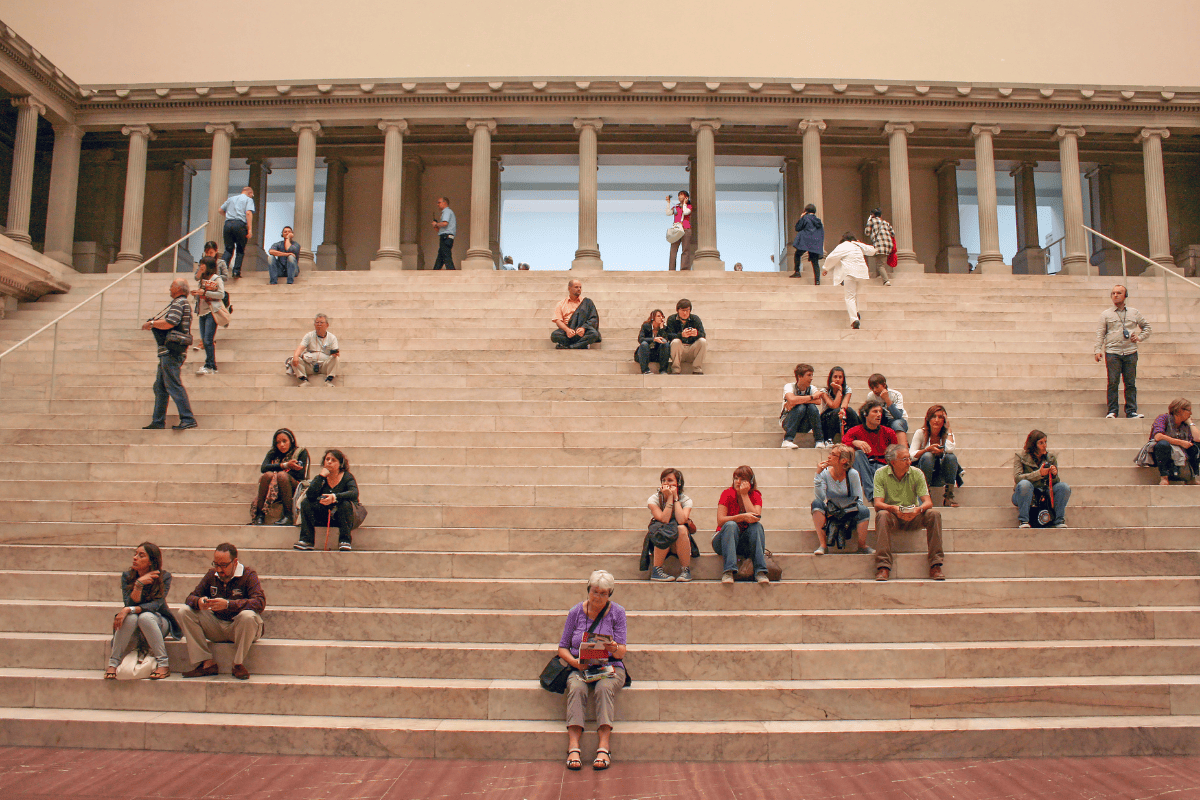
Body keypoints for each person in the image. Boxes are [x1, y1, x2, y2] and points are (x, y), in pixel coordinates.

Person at [558, 569, 627, 771]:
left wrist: (612, 646)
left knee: (604, 688)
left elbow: (621, 652)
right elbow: (562, 647)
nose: (598, 597)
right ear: (588, 590)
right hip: (581, 667)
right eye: (594, 592)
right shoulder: (576, 612)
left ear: (609, 595)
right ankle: (573, 747)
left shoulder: (617, 613)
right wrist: (575, 662)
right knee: (577, 688)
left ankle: (604, 746)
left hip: (610, 667)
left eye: (603, 593)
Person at [178, 543, 266, 680]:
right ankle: (206, 662)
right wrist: (199, 602)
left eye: (224, 565)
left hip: (240, 627)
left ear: (235, 562)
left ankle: (238, 664)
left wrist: (229, 604)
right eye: (216, 564)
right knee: (184, 611)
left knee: (248, 616)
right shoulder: (211, 575)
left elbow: (259, 602)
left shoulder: (248, 575)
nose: (219, 569)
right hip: (217, 625)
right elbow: (190, 598)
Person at [104, 542, 179, 681]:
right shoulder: (127, 576)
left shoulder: (164, 576)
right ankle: (113, 663)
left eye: (141, 555)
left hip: (158, 621)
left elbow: (157, 604)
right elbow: (129, 603)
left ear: (151, 561)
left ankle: (163, 664)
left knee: (145, 617)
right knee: (130, 618)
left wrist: (129, 609)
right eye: (135, 553)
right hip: (134, 625)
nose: (135, 557)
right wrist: (139, 585)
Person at [872, 444, 945, 581]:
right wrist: (894, 509)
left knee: (934, 514)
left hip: (914, 514)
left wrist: (918, 510)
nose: (909, 462)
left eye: (909, 458)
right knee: (881, 515)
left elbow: (928, 502)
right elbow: (878, 504)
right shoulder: (880, 474)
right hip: (893, 515)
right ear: (893, 462)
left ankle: (936, 565)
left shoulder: (916, 473)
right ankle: (883, 566)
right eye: (904, 459)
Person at [141, 278, 197, 430]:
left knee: (173, 385)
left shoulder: (179, 303)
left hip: (172, 351)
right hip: (169, 352)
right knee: (160, 387)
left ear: (178, 289)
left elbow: (171, 322)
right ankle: (158, 421)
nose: (169, 288)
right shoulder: (180, 303)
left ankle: (188, 418)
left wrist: (152, 323)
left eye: (172, 285)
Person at [1095, 284, 1150, 419]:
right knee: (1113, 382)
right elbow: (1100, 333)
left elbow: (1147, 327)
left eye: (1119, 293)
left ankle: (1131, 411)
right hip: (1112, 351)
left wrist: (1139, 337)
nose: (1115, 295)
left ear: (1125, 296)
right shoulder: (1106, 314)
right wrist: (1097, 349)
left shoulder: (1134, 312)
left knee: (1130, 383)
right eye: (1113, 293)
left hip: (1130, 351)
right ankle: (1112, 411)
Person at [811, 444, 874, 556]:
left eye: (833, 454)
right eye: (830, 453)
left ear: (843, 460)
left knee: (864, 510)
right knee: (816, 504)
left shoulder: (852, 474)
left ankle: (862, 545)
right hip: (832, 510)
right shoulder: (825, 473)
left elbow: (858, 500)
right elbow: (820, 498)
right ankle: (823, 545)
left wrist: (846, 511)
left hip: (849, 511)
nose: (829, 457)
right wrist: (818, 475)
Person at [295, 449, 361, 551]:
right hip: (324, 514)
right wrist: (321, 477)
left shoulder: (347, 477)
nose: (329, 462)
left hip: (342, 516)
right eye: (327, 459)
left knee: (345, 504)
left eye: (333, 460)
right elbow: (310, 495)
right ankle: (307, 540)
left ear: (340, 464)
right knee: (306, 503)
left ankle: (345, 540)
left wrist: (335, 497)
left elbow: (354, 493)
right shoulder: (321, 478)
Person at [714, 465, 769, 584]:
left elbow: (756, 517)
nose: (738, 482)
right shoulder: (727, 494)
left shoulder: (755, 495)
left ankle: (760, 571)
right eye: (736, 478)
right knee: (731, 525)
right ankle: (728, 571)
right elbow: (721, 520)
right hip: (723, 540)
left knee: (757, 526)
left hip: (744, 542)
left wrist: (744, 495)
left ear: (751, 482)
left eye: (743, 479)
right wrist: (742, 517)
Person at [642, 468, 695, 582]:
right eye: (663, 480)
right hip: (659, 541)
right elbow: (664, 520)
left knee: (681, 528)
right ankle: (657, 570)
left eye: (670, 480)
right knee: (664, 529)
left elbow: (681, 520)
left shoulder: (686, 500)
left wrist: (675, 498)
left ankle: (686, 570)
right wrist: (669, 498)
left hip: (679, 542)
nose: (666, 483)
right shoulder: (654, 499)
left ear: (678, 484)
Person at [1012, 430, 1072, 528]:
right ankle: (1024, 521)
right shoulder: (1020, 456)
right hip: (1025, 494)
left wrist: (1054, 475)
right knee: (1024, 484)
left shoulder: (1050, 457)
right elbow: (1018, 478)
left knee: (1063, 487)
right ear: (1033, 444)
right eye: (1041, 443)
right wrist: (1038, 474)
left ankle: (1059, 520)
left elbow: (1055, 483)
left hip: (1045, 493)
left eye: (1045, 442)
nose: (1044, 445)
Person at [250, 428, 310, 525]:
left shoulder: (301, 452)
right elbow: (264, 468)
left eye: (284, 441)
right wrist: (285, 465)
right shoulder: (273, 453)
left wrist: (278, 475)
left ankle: (288, 515)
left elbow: (301, 474)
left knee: (281, 476)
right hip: (274, 487)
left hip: (294, 486)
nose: (281, 445)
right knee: (267, 475)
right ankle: (260, 514)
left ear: (291, 441)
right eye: (278, 442)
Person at [841, 399, 897, 502]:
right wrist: (854, 443)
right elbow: (842, 445)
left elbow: (895, 451)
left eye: (880, 412)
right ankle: (872, 495)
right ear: (865, 414)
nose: (879, 415)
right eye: (875, 411)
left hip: (882, 465)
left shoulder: (889, 432)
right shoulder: (855, 430)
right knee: (858, 454)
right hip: (864, 465)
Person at [821, 233, 875, 329]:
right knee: (855, 295)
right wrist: (860, 243)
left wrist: (826, 268)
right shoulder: (858, 245)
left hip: (850, 273)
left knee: (850, 297)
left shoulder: (843, 246)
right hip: (862, 273)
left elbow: (832, 257)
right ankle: (856, 311)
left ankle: (854, 319)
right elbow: (872, 251)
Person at [911, 404, 961, 507]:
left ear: (944, 420)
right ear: (928, 419)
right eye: (933, 416)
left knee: (951, 457)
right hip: (923, 473)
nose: (937, 420)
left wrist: (949, 429)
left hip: (940, 476)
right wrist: (926, 450)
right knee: (928, 456)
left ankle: (948, 497)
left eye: (940, 417)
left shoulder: (947, 434)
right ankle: (925, 495)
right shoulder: (921, 433)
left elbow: (950, 449)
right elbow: (911, 455)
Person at [1143, 398, 1200, 485]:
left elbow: (1197, 439)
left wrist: (1191, 423)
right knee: (1163, 444)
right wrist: (1181, 442)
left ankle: (1191, 477)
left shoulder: (1185, 424)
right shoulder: (1163, 418)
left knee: (1196, 446)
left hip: (1179, 453)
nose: (1191, 413)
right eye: (1189, 410)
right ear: (1180, 410)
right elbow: (1158, 436)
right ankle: (1164, 477)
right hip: (1162, 453)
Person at [190, 256, 225, 376]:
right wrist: (197, 294)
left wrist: (205, 292)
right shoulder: (202, 279)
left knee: (208, 339)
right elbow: (197, 280)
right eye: (200, 265)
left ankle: (210, 365)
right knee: (204, 340)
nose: (201, 267)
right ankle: (211, 365)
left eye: (203, 265)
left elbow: (221, 294)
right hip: (202, 311)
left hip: (211, 311)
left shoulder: (216, 278)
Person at [780, 363, 826, 449]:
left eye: (812, 375)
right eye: (809, 375)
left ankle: (819, 441)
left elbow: (818, 401)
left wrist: (797, 401)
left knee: (811, 407)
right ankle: (787, 440)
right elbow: (792, 399)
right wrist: (811, 397)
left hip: (805, 424)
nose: (811, 378)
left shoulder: (812, 388)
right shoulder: (789, 386)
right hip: (788, 422)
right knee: (801, 407)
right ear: (800, 376)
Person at [289, 313, 340, 386]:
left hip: (324, 365)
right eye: (317, 322)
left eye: (321, 322)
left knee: (336, 359)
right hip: (310, 365)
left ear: (327, 325)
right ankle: (304, 381)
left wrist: (336, 354)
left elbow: (336, 351)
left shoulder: (332, 338)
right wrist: (295, 356)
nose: (319, 324)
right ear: (314, 324)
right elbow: (300, 347)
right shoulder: (309, 335)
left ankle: (328, 381)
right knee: (293, 359)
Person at [551, 279, 601, 349]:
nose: (579, 289)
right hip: (568, 332)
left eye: (580, 287)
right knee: (555, 335)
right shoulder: (561, 304)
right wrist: (567, 330)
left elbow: (594, 318)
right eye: (576, 287)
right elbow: (558, 320)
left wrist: (583, 328)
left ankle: (570, 346)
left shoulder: (587, 302)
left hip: (582, 332)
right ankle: (581, 344)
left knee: (594, 334)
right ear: (569, 288)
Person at [819, 366, 859, 448]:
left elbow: (844, 404)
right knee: (836, 411)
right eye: (835, 377)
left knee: (850, 411)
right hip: (827, 417)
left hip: (840, 414)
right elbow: (834, 406)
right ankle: (828, 439)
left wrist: (842, 411)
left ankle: (856, 437)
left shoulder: (847, 390)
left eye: (840, 377)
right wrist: (839, 390)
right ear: (831, 378)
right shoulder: (824, 391)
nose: (837, 379)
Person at [219, 186, 255, 278]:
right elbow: (248, 213)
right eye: (252, 195)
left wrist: (228, 217)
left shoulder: (231, 199)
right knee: (240, 249)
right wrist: (250, 229)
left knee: (228, 249)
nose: (252, 196)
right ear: (249, 193)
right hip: (240, 224)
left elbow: (220, 210)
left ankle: (222, 271)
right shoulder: (248, 200)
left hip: (227, 224)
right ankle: (236, 272)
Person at [866, 373, 909, 448]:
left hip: (897, 420)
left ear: (884, 385)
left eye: (877, 387)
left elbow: (898, 416)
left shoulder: (896, 394)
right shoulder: (871, 396)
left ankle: (903, 450)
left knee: (897, 423)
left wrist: (887, 399)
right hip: (882, 419)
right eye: (872, 388)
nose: (874, 390)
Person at [665, 299, 706, 375]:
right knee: (676, 341)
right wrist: (681, 335)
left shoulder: (695, 319)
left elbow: (703, 334)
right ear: (678, 310)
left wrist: (696, 333)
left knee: (702, 341)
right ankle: (675, 368)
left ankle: (697, 368)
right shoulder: (672, 319)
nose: (685, 313)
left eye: (687, 310)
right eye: (683, 310)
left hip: (692, 348)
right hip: (679, 349)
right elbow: (669, 335)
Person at [791, 203, 824, 283]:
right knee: (815, 262)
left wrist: (801, 217)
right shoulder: (818, 221)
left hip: (805, 241)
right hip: (815, 243)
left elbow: (798, 228)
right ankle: (817, 281)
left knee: (797, 254)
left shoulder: (805, 218)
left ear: (806, 211)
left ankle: (797, 272)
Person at [864, 207, 895, 285]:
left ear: (873, 215)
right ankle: (879, 275)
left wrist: (869, 220)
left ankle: (886, 280)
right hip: (888, 245)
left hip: (879, 245)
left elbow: (867, 232)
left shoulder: (872, 221)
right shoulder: (886, 223)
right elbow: (893, 233)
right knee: (881, 262)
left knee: (879, 264)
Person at [634, 309, 670, 375]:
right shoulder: (646, 326)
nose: (661, 318)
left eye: (662, 316)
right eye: (659, 316)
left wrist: (661, 329)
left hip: (657, 354)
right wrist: (653, 339)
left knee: (666, 344)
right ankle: (645, 370)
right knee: (644, 344)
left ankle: (663, 370)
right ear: (653, 318)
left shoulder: (664, 328)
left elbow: (665, 340)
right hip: (645, 352)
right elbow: (640, 339)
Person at [666, 190, 693, 271]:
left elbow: (686, 212)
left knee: (685, 250)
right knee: (673, 250)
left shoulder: (689, 206)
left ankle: (684, 268)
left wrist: (685, 203)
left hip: (686, 229)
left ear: (686, 197)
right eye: (679, 195)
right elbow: (668, 213)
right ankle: (671, 269)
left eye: (681, 195)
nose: (679, 197)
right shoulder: (676, 207)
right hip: (677, 230)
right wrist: (668, 203)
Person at [431, 196, 457, 270]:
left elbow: (445, 223)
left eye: (439, 202)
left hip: (446, 237)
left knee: (446, 256)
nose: (437, 204)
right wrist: (436, 226)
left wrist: (436, 224)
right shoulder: (447, 212)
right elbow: (441, 230)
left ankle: (452, 272)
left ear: (444, 203)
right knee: (441, 257)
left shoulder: (446, 211)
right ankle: (435, 271)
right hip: (446, 237)